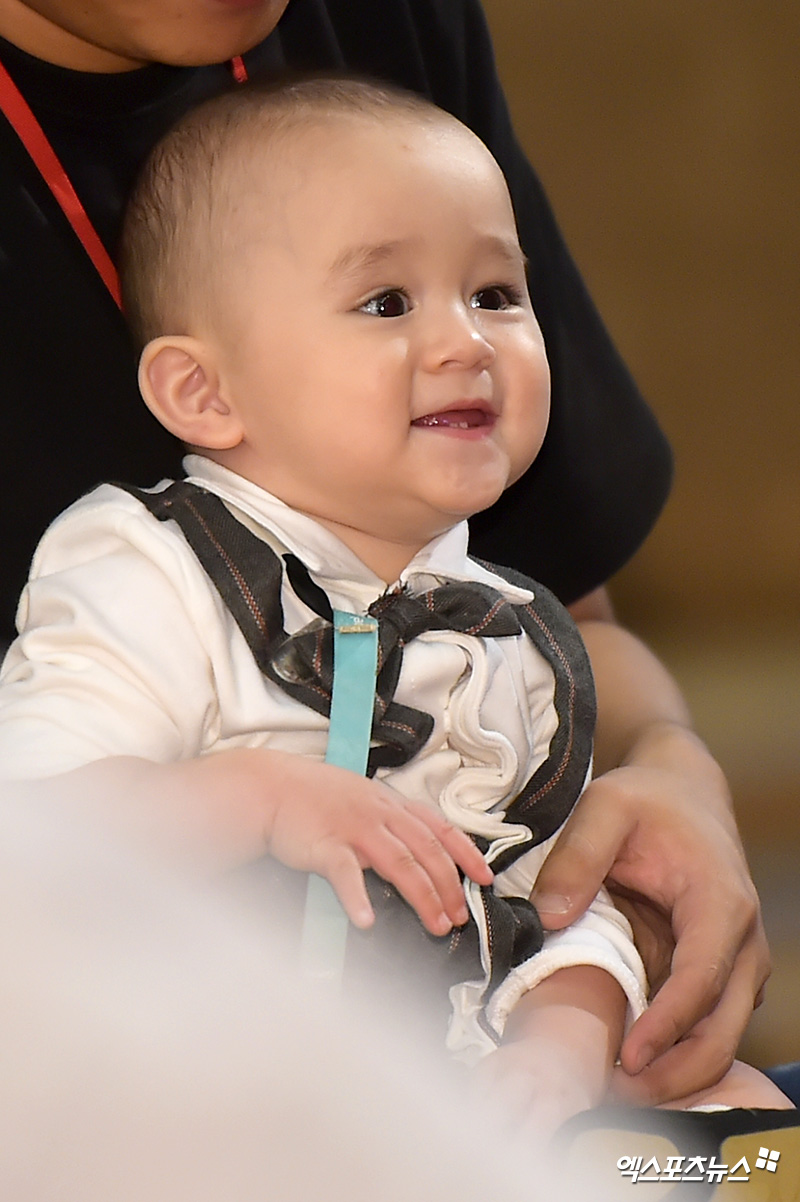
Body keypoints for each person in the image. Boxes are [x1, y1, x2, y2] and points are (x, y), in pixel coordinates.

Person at [0, 0, 771, 1105]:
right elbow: (34, 831)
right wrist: (252, 802)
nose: (464, 340)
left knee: (744, 1140)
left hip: (447, 1091)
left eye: (496, 295)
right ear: (200, 391)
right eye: (385, 301)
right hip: (187, 1098)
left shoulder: (500, 624)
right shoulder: (143, 571)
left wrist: (566, 1034)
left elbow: (556, 896)